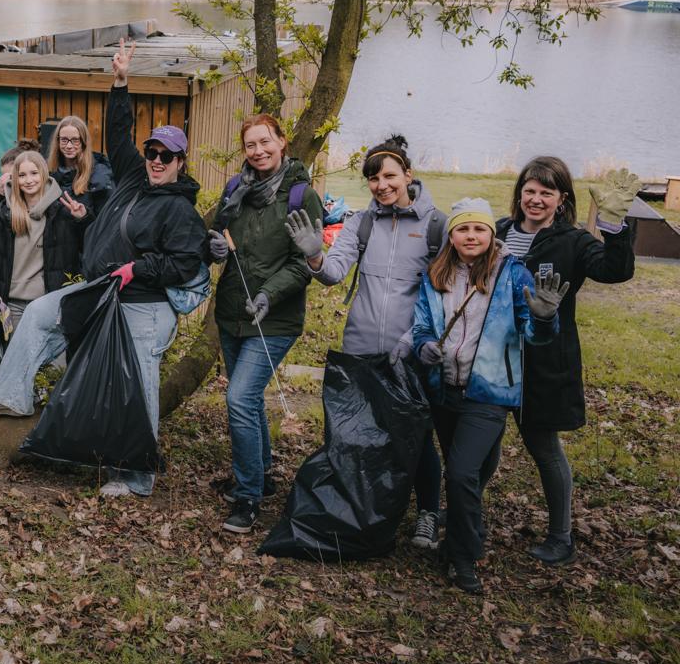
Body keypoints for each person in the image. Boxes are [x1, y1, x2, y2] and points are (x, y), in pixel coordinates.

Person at [0, 39, 206, 498]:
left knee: (138, 384)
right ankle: (12, 396)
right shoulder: (135, 177)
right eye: (152, 153)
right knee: (41, 314)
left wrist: (137, 269)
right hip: (103, 289)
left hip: (145, 306)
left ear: (180, 162)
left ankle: (138, 475)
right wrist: (120, 81)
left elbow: (183, 264)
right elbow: (118, 133)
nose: (156, 161)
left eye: (166, 156)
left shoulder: (183, 211)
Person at [284, 134, 447, 548]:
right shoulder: (363, 222)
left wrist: (414, 342)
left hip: (411, 351)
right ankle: (363, 510)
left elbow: (444, 294)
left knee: (415, 434)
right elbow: (334, 272)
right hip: (360, 347)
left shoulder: (434, 226)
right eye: (373, 178)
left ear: (408, 174)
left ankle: (428, 512)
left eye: (389, 175)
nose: (382, 185)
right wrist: (314, 256)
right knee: (357, 431)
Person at [412, 198, 566, 594]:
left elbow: (533, 333)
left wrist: (546, 318)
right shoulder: (436, 274)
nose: (471, 236)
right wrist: (425, 346)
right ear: (452, 235)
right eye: (463, 228)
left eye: (479, 229)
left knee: (461, 472)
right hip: (445, 388)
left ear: (491, 235)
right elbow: (422, 326)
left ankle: (463, 557)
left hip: (490, 391)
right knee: (468, 469)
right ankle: (462, 536)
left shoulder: (512, 275)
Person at [495, 158, 638, 566]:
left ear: (562, 200)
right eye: (530, 190)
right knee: (482, 441)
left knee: (543, 447)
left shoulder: (572, 242)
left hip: (543, 363)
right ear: (519, 192)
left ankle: (561, 536)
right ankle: (468, 517)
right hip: (492, 358)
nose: (535, 199)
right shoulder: (501, 232)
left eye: (546, 192)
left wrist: (613, 227)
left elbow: (614, 270)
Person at [204, 113, 324, 535]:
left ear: (282, 141)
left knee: (238, 398)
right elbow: (219, 233)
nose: (258, 152)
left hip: (275, 319)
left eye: (264, 142)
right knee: (249, 401)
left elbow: (301, 263)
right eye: (250, 145)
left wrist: (269, 294)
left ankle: (248, 495)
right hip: (232, 312)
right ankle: (263, 475)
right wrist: (216, 247)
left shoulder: (300, 196)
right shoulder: (236, 189)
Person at [0, 149, 90, 327]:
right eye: (22, 175)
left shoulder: (61, 212)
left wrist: (82, 220)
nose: (29, 180)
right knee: (17, 355)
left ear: (44, 174)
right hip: (12, 304)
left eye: (34, 173)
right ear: (15, 179)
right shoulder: (5, 214)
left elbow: (86, 247)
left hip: (49, 303)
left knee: (53, 355)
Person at [48, 115, 115, 216]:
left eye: (75, 140)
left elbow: (105, 222)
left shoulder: (99, 175)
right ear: (57, 141)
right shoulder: (48, 171)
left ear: (84, 142)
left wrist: (84, 217)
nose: (69, 146)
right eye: (64, 140)